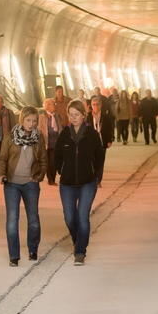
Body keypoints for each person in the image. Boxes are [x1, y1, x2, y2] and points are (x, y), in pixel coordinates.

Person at [55, 100, 104, 266]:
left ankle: (80, 251)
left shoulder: (92, 135)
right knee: (69, 217)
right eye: (71, 115)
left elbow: (100, 156)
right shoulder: (64, 134)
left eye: (77, 115)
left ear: (84, 115)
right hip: (67, 184)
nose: (73, 118)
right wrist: (61, 169)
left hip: (87, 183)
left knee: (82, 217)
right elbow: (57, 155)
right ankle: (79, 240)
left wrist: (96, 175)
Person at [0, 106, 47, 266]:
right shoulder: (10, 137)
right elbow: (2, 158)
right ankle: (14, 256)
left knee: (33, 219)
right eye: (28, 120)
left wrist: (38, 177)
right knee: (12, 219)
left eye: (34, 121)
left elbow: (43, 160)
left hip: (30, 184)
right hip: (12, 184)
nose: (31, 124)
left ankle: (33, 249)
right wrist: (2, 174)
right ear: (22, 120)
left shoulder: (39, 138)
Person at [87, 95, 115, 186]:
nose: (95, 106)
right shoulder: (87, 117)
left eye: (97, 104)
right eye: (93, 104)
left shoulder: (106, 117)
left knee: (100, 162)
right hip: (90, 143)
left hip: (102, 142)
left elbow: (110, 128)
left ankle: (98, 180)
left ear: (101, 105)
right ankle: (93, 179)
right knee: (92, 161)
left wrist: (110, 140)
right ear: (91, 105)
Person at [38, 98, 63, 186]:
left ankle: (53, 177)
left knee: (55, 161)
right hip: (47, 143)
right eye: (53, 104)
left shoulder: (57, 116)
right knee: (49, 162)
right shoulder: (42, 117)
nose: (54, 106)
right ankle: (50, 179)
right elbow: (39, 130)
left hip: (56, 142)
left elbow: (60, 128)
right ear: (47, 106)